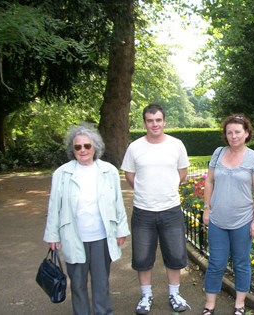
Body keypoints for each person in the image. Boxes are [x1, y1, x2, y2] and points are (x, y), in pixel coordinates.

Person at [43, 124, 130, 315]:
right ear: (72, 150)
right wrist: (52, 236)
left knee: (101, 282)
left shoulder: (109, 171)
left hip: (101, 236)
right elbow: (53, 206)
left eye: (87, 146)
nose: (82, 150)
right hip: (73, 237)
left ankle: (104, 312)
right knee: (78, 284)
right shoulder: (62, 174)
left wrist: (121, 230)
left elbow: (118, 202)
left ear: (95, 147)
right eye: (78, 147)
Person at [121, 103, 191, 314]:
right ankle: (146, 296)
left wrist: (166, 188)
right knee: (142, 258)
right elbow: (130, 175)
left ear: (164, 121)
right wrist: (146, 191)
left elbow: (182, 171)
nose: (154, 124)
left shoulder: (176, 145)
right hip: (143, 211)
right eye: (150, 121)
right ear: (145, 123)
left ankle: (174, 293)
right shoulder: (135, 147)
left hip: (170, 209)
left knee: (176, 255)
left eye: (158, 120)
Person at [202, 114, 254, 315]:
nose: (233, 136)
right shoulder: (218, 153)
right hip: (218, 221)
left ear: (246, 133)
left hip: (242, 221)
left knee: (241, 263)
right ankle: (210, 305)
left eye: (238, 132)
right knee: (215, 263)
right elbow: (209, 181)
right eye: (229, 132)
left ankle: (240, 304)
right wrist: (206, 208)